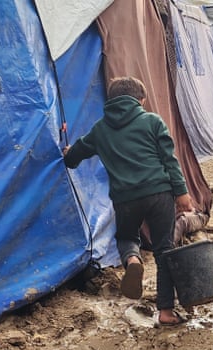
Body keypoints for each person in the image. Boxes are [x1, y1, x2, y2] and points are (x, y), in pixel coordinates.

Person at [63, 76, 194, 326]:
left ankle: (132, 260)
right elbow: (170, 160)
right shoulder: (152, 121)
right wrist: (182, 194)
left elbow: (74, 158)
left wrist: (69, 153)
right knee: (164, 250)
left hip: (125, 199)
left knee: (126, 238)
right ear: (141, 101)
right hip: (159, 193)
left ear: (111, 101)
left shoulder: (100, 129)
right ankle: (165, 312)